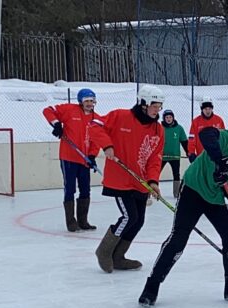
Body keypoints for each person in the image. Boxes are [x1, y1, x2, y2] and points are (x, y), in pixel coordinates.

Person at [138, 117, 228, 307]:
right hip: (193, 189)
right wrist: (219, 159)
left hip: (214, 198)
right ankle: (151, 287)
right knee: (178, 240)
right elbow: (206, 134)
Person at [90, 84, 165, 273]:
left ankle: (119, 256)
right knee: (129, 216)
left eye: (160, 107)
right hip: (120, 178)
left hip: (140, 181)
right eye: (155, 106)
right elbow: (94, 126)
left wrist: (153, 181)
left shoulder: (158, 129)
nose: (158, 110)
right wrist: (106, 145)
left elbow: (155, 158)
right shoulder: (120, 116)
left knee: (138, 221)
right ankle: (104, 251)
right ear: (143, 104)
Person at [42, 88, 102, 232]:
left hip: (84, 160)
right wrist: (56, 124)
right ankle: (71, 222)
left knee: (85, 190)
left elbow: (97, 139)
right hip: (69, 157)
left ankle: (83, 221)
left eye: (92, 101)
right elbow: (48, 110)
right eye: (86, 101)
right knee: (70, 189)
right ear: (80, 101)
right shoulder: (69, 110)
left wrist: (92, 156)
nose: (89, 103)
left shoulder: (97, 119)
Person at [160, 109, 189, 198]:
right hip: (162, 156)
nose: (168, 119)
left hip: (175, 156)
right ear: (164, 118)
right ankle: (152, 192)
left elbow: (184, 141)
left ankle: (177, 193)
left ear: (173, 118)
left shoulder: (179, 128)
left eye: (170, 117)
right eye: (167, 117)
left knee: (176, 174)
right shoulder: (160, 127)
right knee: (155, 174)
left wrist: (188, 152)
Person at [187, 96, 225, 162]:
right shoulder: (196, 122)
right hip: (202, 155)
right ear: (202, 109)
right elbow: (192, 139)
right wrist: (191, 153)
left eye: (209, 109)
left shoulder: (219, 120)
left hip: (216, 155)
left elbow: (224, 137)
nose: (208, 111)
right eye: (205, 109)